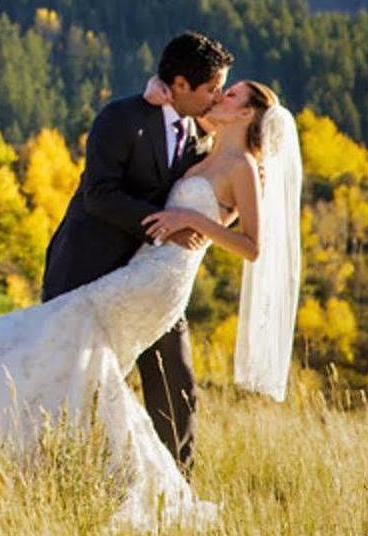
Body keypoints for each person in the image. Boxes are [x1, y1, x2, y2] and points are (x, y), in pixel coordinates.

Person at [0, 67, 303, 530]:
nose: (221, 96)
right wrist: (152, 94)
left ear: (247, 112)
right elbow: (169, 125)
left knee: (68, 324)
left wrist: (191, 219)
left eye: (233, 93)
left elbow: (252, 247)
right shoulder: (203, 150)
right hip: (143, 266)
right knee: (87, 363)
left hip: (161, 280)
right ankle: (99, 475)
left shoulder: (242, 166)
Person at [43, 32, 233, 467]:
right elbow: (99, 195)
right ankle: (63, 473)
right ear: (180, 85)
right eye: (212, 89)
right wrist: (166, 228)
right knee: (75, 384)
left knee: (175, 383)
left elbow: (218, 196)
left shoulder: (201, 137)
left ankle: (176, 487)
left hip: (154, 280)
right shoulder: (121, 118)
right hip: (87, 271)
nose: (218, 97)